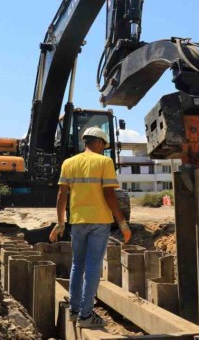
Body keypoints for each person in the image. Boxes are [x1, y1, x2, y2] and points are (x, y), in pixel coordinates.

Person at [49, 126, 132, 328]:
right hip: (99, 221)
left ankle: (75, 311)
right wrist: (122, 223)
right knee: (93, 265)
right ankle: (86, 315)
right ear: (99, 143)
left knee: (77, 265)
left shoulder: (69, 163)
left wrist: (60, 222)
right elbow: (110, 195)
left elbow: (62, 195)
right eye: (104, 146)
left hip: (77, 221)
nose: (104, 149)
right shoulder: (105, 162)